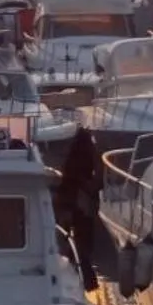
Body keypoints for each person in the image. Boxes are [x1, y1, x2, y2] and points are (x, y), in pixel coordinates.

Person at [57, 124, 103, 292]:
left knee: (68, 239)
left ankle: (73, 269)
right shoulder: (88, 152)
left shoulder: (72, 159)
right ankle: (85, 279)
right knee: (83, 243)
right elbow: (97, 176)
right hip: (81, 201)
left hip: (69, 201)